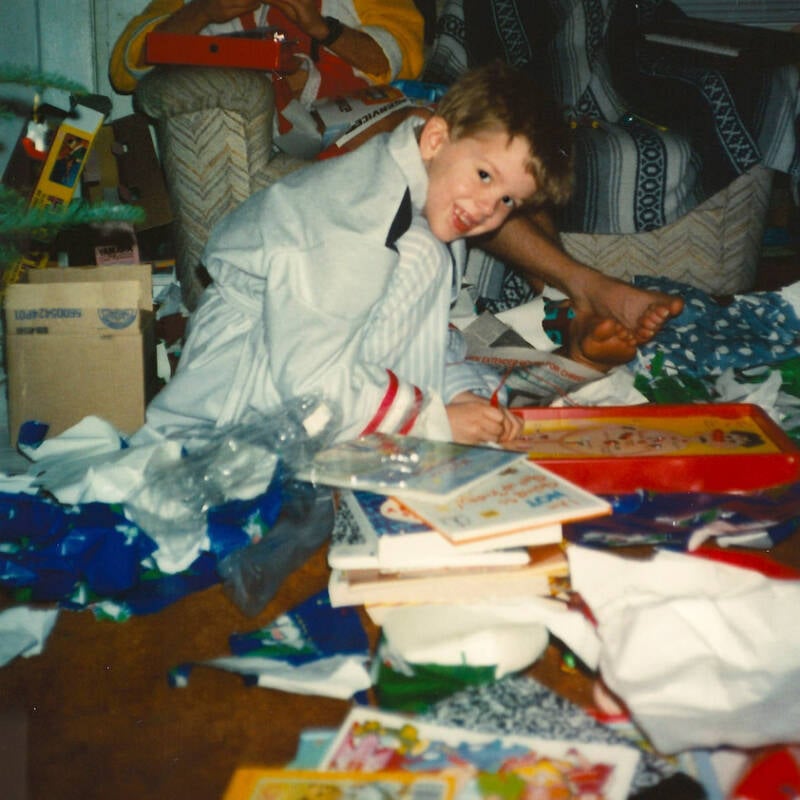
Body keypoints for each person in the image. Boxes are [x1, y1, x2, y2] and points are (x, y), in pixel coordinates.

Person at [138, 61, 639, 449]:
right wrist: (432, 420)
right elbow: (310, 377)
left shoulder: (421, 200)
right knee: (423, 259)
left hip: (300, 360)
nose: (489, 207)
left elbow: (421, 333)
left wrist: (460, 394)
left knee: (431, 272)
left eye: (508, 200)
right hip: (237, 393)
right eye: (485, 175)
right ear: (436, 139)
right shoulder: (362, 217)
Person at [109, 0, 425, 103]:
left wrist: (321, 28)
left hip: (346, 127)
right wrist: (201, 11)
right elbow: (126, 71)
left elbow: (404, 59)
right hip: (241, 138)